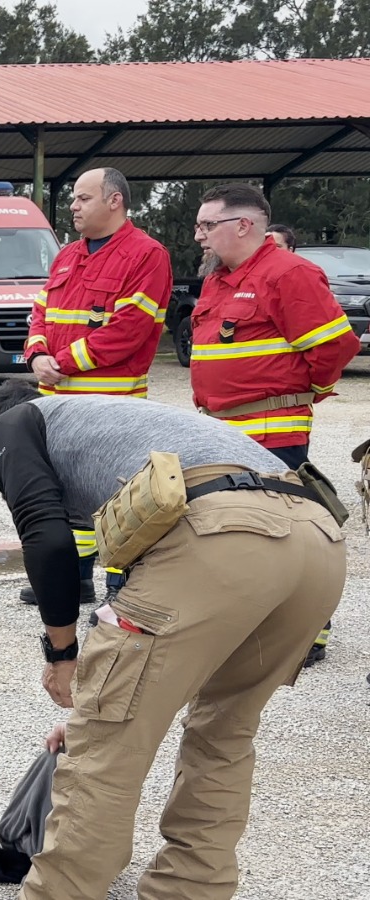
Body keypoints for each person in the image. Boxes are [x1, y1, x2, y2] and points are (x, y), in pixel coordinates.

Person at [0, 380, 344, 900]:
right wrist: (102, 697)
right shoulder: (116, 424)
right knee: (223, 735)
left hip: (223, 529)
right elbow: (167, 606)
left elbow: (47, 539)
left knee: (106, 747)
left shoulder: (9, 425)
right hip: (319, 538)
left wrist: (64, 656)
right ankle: (189, 890)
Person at [190, 183, 356, 667]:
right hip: (224, 431)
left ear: (243, 225)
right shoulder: (219, 280)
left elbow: (334, 346)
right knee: (241, 537)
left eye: (207, 224)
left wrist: (301, 394)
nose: (199, 235)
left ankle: (307, 634)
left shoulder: (288, 273)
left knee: (285, 535)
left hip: (271, 431)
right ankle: (255, 627)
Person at [19, 167, 173, 609]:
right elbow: (41, 312)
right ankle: (75, 578)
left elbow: (129, 330)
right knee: (64, 493)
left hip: (111, 405)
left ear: (114, 201)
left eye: (83, 198)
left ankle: (119, 589)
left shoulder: (146, 255)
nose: (73, 206)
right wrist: (36, 354)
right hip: (57, 401)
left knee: (116, 497)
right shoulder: (68, 254)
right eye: (73, 198)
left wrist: (61, 362)